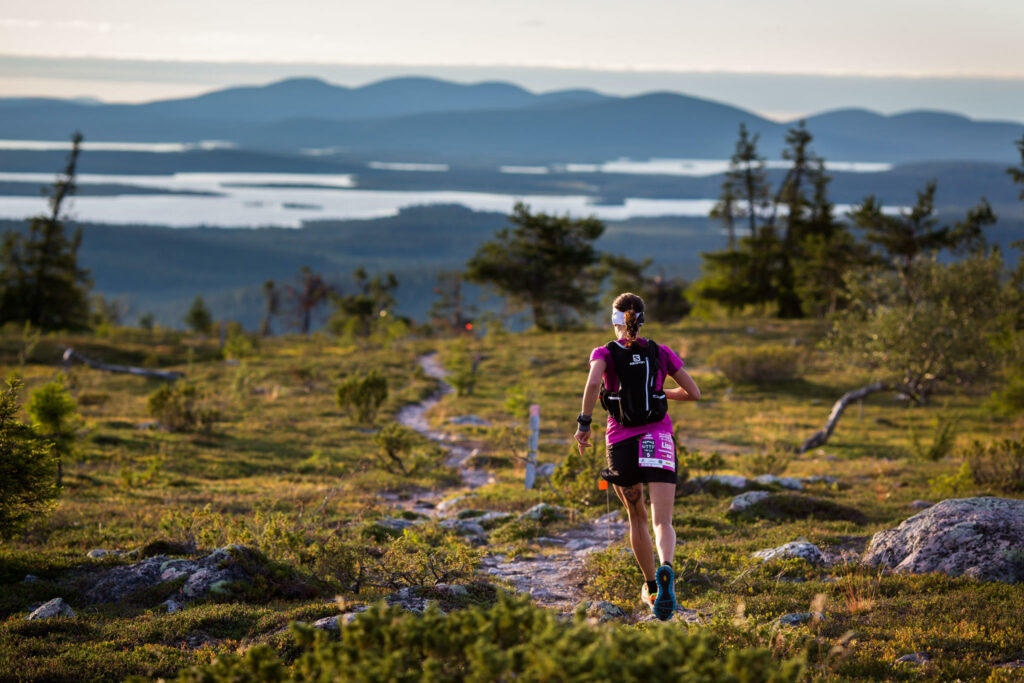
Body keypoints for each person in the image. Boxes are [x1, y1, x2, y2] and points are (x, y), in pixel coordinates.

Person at [573, 293, 701, 620]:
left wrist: (584, 424)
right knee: (663, 520)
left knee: (637, 516)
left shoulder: (603, 352)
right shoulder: (661, 352)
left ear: (615, 321)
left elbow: (591, 385)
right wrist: (662, 391)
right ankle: (667, 568)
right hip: (658, 438)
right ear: (642, 320)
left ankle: (651, 585)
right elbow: (694, 393)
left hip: (621, 443)